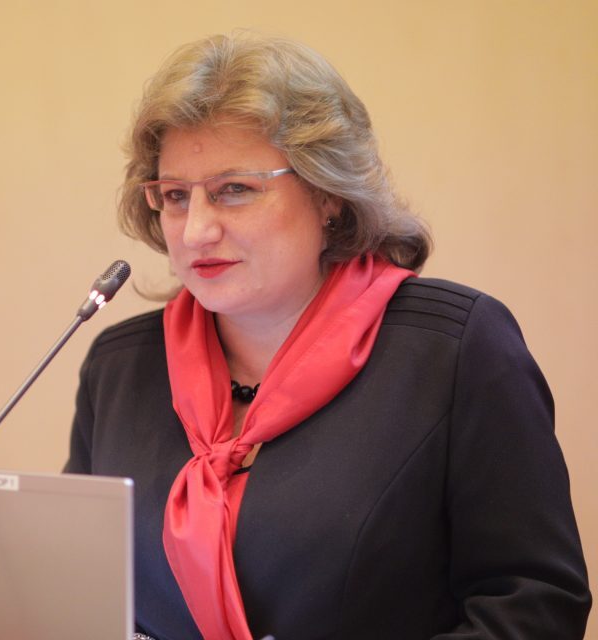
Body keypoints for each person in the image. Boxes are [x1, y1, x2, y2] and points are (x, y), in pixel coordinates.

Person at [65, 33, 590, 639]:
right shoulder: (119, 368)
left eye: (235, 189)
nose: (196, 230)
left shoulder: (455, 351)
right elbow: (79, 592)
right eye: (177, 196)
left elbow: (535, 606)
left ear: (328, 196)